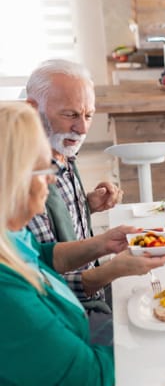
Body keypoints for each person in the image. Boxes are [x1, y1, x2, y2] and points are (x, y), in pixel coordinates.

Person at [0, 102, 165, 386]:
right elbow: (90, 380)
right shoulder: (8, 297)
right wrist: (162, 338)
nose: (53, 179)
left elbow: (41, 256)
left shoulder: (10, 236)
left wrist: (103, 243)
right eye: (44, 168)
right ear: (14, 180)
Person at [25, 60, 123, 326]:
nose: (82, 129)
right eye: (70, 115)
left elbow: (50, 224)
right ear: (33, 109)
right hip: (68, 314)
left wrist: (85, 204)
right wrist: (108, 272)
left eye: (88, 115)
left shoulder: (62, 151)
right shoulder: (22, 178)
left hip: (94, 291)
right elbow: (40, 279)